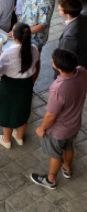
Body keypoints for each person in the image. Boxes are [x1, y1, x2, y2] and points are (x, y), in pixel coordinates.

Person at [31, 48, 87, 190]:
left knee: (55, 154)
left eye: (53, 61)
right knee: (69, 147)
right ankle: (67, 168)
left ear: (58, 67)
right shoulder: (82, 71)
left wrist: (42, 128)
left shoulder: (58, 88)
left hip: (58, 131)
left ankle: (51, 179)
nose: (51, 61)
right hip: (74, 125)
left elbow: (51, 115)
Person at [0, 22, 39, 149]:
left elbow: (0, 71)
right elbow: (35, 63)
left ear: (14, 36)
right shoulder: (34, 48)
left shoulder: (8, 52)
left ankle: (6, 140)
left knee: (7, 112)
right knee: (23, 111)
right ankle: (19, 137)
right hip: (26, 84)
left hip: (10, 85)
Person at [19, 0, 55, 83]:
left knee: (34, 59)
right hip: (25, 30)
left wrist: (23, 32)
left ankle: (31, 84)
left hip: (35, 37)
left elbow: (42, 25)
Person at [55, 0, 87, 71]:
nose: (57, 9)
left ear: (68, 14)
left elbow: (66, 59)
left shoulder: (70, 36)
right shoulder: (84, 13)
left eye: (60, 10)